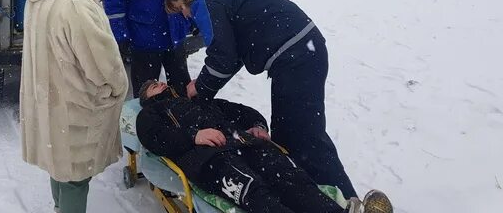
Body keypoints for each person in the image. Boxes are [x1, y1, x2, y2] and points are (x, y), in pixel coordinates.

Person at [164, 0, 357, 199]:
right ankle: (312, 196)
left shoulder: (204, 2)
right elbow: (232, 55)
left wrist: (201, 88)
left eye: (179, 10)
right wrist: (205, 81)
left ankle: (347, 200)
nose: (185, 16)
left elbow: (222, 58)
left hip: (295, 55)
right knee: (290, 133)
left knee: (304, 137)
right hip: (303, 47)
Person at [136, 80, 393, 213]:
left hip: (244, 143)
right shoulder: (151, 113)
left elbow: (244, 112)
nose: (158, 84)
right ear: (146, 98)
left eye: (158, 82)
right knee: (255, 191)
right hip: (206, 158)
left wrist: (258, 125)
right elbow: (153, 138)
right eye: (151, 86)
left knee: (289, 178)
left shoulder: (199, 101)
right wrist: (194, 135)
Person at [20, 0, 129, 213]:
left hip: (51, 98)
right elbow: (100, 60)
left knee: (59, 166)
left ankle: (59, 207)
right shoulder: (76, 2)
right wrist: (117, 86)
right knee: (76, 178)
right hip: (74, 103)